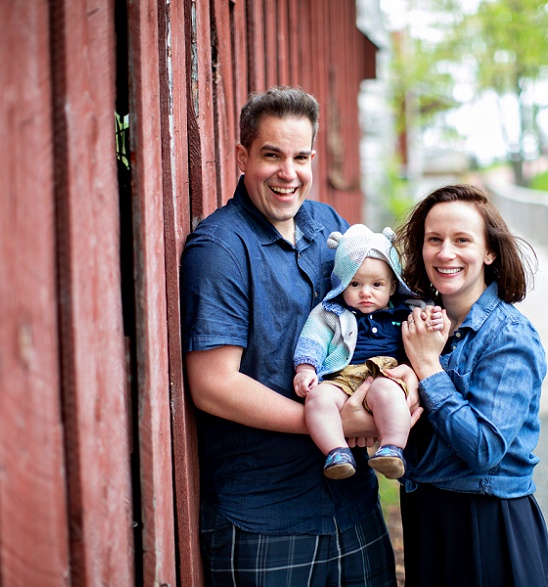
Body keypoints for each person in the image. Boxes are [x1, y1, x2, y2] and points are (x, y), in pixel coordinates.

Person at [180, 86, 410, 586]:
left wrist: (405, 383)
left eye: (301, 156)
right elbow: (212, 385)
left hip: (353, 507)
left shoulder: (327, 225)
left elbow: (378, 311)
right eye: (271, 156)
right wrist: (334, 422)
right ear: (242, 157)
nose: (289, 173)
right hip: (267, 518)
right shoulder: (219, 248)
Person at [396, 183, 548, 586]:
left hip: (488, 523)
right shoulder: (417, 326)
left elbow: (484, 447)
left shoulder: (509, 337)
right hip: (427, 516)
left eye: (461, 240)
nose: (445, 253)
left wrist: (430, 369)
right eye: (434, 240)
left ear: (489, 252)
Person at [293, 224, 442, 481]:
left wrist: (432, 318)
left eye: (377, 284)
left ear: (392, 286)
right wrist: (306, 369)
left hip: (386, 374)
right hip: (341, 376)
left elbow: (425, 326)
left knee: (388, 393)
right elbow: (313, 339)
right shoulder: (332, 313)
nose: (366, 292)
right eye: (355, 283)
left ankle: (392, 448)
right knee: (317, 399)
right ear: (340, 284)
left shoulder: (402, 314)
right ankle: (336, 452)